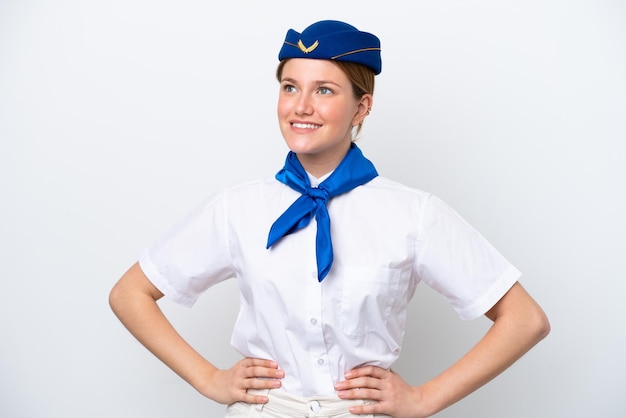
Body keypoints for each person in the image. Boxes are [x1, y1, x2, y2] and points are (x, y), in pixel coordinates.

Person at [109, 20, 550, 418]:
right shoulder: (237, 209)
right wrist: (208, 379)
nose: (301, 106)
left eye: (324, 90)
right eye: (289, 87)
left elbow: (525, 319)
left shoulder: (414, 214)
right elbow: (130, 293)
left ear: (362, 108)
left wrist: (424, 398)